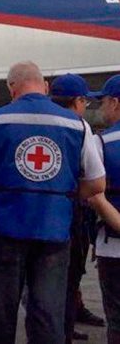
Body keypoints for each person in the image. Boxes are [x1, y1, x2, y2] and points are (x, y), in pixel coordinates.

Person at [0, 61, 105, 344]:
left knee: (1, 314)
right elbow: (97, 183)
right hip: (54, 231)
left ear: (11, 88)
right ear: (45, 87)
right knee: (48, 315)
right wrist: (64, 192)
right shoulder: (76, 124)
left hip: (6, 230)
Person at [50, 74, 104, 342]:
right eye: (86, 101)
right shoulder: (79, 127)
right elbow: (96, 182)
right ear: (77, 101)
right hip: (71, 215)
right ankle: (64, 332)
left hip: (46, 214)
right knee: (68, 279)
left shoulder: (43, 125)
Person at [86, 75, 120, 344]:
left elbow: (94, 193)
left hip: (114, 246)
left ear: (116, 103)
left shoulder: (102, 143)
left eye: (104, 102)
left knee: (117, 320)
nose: (101, 108)